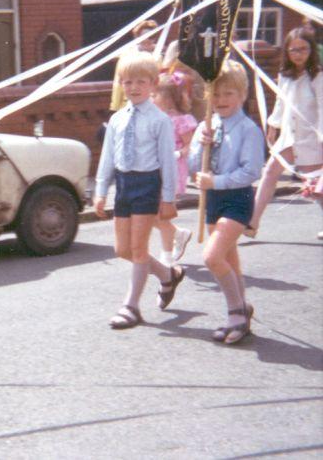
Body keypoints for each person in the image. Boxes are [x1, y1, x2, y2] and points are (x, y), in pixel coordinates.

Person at [94, 52, 185, 329]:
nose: (134, 87)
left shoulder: (159, 120)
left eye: (141, 82)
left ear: (153, 84)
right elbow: (107, 157)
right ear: (121, 84)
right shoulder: (118, 120)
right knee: (122, 249)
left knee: (138, 248)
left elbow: (168, 162)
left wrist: (168, 199)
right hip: (124, 185)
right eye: (128, 81)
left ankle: (131, 306)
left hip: (147, 184)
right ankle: (168, 275)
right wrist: (100, 191)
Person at [189, 60, 265, 345]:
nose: (221, 100)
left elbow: (251, 171)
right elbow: (195, 167)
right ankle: (242, 309)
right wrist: (200, 143)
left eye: (228, 94)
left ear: (242, 94)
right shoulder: (206, 126)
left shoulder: (248, 129)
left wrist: (216, 182)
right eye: (216, 94)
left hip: (238, 198)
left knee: (212, 257)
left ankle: (235, 314)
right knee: (230, 261)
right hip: (214, 200)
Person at [246, 27, 323, 237]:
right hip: (289, 137)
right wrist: (273, 125)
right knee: (270, 171)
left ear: (311, 49)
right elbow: (281, 102)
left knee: (315, 186)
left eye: (303, 49)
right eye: (293, 50)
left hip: (311, 138)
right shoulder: (284, 75)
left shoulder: (318, 75)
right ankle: (253, 222)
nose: (298, 54)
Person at [152, 72, 197, 265]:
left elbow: (190, 146)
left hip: (171, 171)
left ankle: (167, 254)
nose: (152, 98)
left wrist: (177, 154)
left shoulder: (181, 120)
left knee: (160, 213)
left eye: (155, 95)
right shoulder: (154, 119)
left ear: (169, 98)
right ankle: (178, 234)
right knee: (149, 213)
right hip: (155, 169)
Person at [109, 19, 160, 113]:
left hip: (153, 105)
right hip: (128, 104)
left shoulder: (159, 57)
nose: (147, 40)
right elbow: (118, 82)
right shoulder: (126, 56)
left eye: (151, 36)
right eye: (143, 36)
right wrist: (115, 106)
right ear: (137, 37)